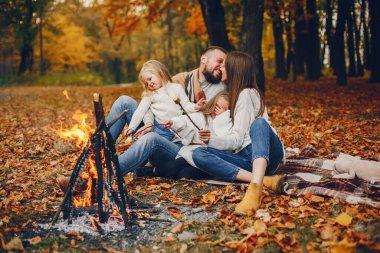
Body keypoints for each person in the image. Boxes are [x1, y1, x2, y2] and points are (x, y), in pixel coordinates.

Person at [192, 51, 285, 216]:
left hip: (267, 153)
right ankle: (265, 180)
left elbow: (236, 140)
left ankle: (255, 189)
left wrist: (213, 138)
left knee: (259, 123)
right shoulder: (235, 94)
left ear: (235, 69)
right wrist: (211, 139)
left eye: (224, 64)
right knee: (199, 154)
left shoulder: (247, 93)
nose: (221, 66)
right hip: (246, 158)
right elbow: (235, 141)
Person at [124, 60, 205, 142]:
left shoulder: (177, 88)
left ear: (160, 72)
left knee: (158, 144)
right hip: (157, 127)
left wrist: (195, 106)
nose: (149, 83)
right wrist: (131, 127)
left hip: (174, 129)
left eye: (150, 79)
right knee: (147, 141)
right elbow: (140, 111)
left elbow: (186, 106)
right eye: (146, 83)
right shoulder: (150, 94)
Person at [157, 91, 232, 180]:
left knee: (184, 175)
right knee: (173, 167)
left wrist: (222, 119)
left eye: (223, 110)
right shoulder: (201, 116)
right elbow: (184, 121)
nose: (217, 112)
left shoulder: (228, 124)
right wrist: (173, 123)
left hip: (208, 160)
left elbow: (225, 140)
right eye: (217, 107)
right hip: (191, 154)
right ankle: (150, 171)